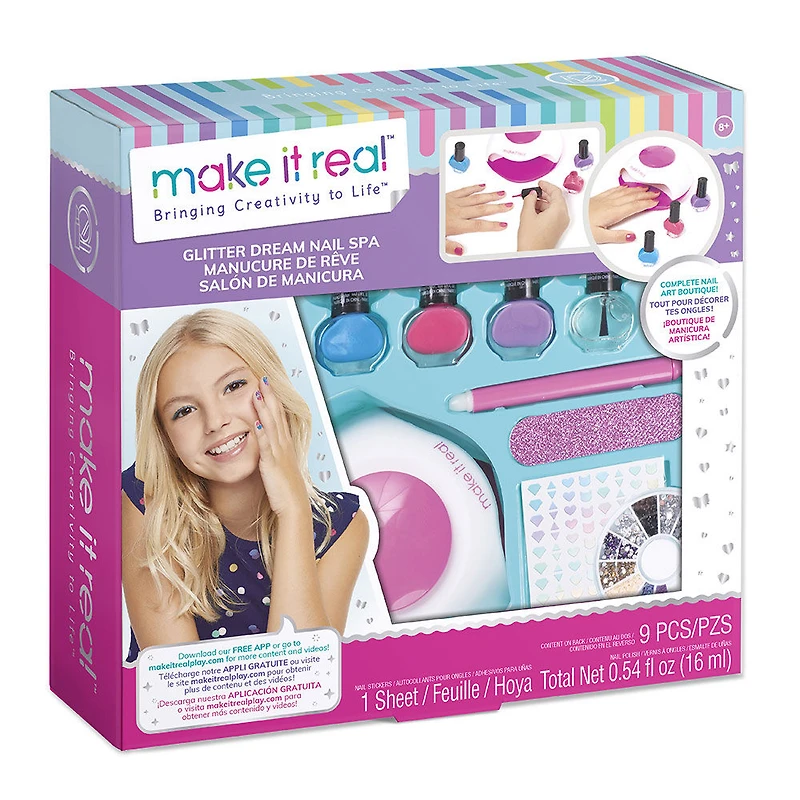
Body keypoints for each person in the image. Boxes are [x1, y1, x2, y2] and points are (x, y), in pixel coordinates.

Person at [121, 308, 369, 661]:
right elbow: (177, 682)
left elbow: (302, 673)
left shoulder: (339, 525)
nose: (215, 421)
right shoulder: (147, 502)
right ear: (166, 438)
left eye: (233, 386)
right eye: (184, 411)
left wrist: (293, 511)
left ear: (273, 389)